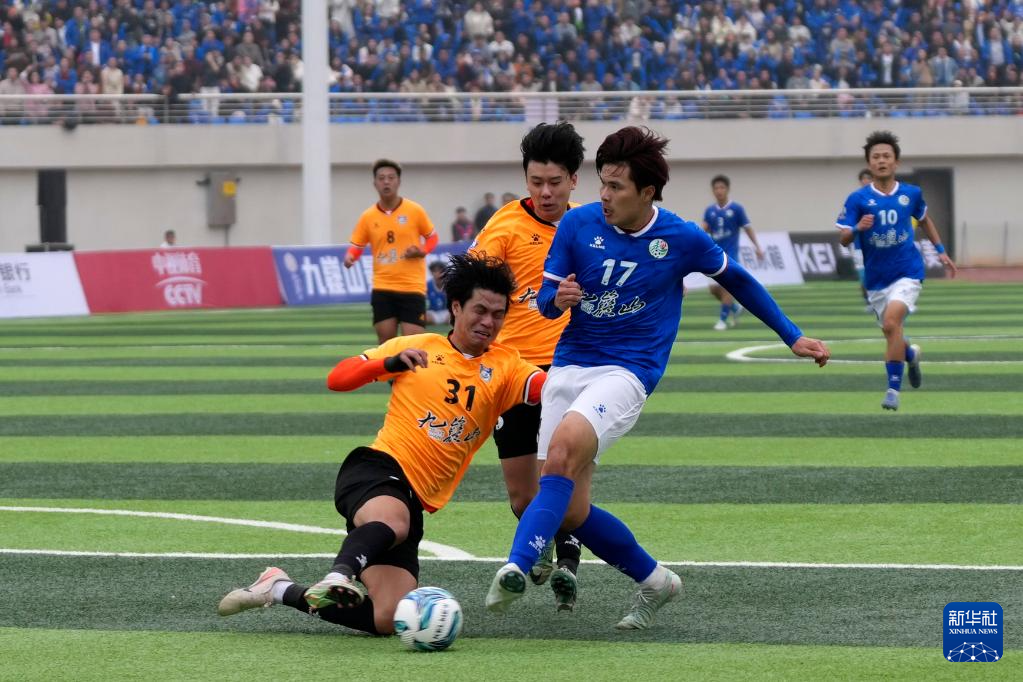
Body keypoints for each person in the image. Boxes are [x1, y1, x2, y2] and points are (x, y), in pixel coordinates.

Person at [485, 126, 830, 629]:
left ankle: (516, 565)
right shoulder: (577, 225)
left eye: (616, 187)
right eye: (602, 184)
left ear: (647, 192)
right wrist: (556, 300)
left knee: (560, 455)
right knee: (570, 510)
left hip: (628, 371)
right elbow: (544, 301)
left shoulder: (681, 237)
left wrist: (791, 336)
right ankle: (655, 580)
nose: (604, 195)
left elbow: (736, 278)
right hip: (569, 366)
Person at [218, 254, 545, 636]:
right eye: (480, 310)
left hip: (413, 500)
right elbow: (337, 378)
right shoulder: (417, 346)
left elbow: (548, 387)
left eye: (498, 314)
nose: (489, 322)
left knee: (388, 617)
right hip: (376, 470)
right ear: (456, 307)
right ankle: (338, 575)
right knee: (393, 522)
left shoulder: (507, 365)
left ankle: (277, 587)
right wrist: (388, 364)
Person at [469, 121, 586, 611]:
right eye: (535, 182)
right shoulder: (505, 226)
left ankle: (568, 562)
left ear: (573, 180)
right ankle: (543, 545)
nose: (544, 192)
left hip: (571, 371)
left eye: (555, 182)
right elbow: (472, 284)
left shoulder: (589, 227)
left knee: (562, 476)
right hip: (513, 376)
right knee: (522, 497)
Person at [836, 131, 957, 411]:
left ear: (896, 162)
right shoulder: (857, 199)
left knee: (892, 323)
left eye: (886, 156)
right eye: (876, 157)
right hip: (876, 279)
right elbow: (843, 238)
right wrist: (857, 228)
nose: (881, 161)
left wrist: (941, 251)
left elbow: (925, 220)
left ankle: (893, 390)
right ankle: (910, 355)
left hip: (908, 272)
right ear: (869, 163)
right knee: (892, 333)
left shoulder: (911, 194)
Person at [344, 159, 438, 343]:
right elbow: (357, 245)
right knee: (386, 343)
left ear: (398, 182)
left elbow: (433, 238)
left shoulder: (415, 210)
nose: (386, 182)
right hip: (383, 286)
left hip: (412, 286)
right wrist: (350, 256)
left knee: (414, 343)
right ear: (375, 183)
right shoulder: (368, 216)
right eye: (381, 178)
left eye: (391, 177)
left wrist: (422, 250)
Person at [702, 175, 764, 330]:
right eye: (716, 188)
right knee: (713, 290)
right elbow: (703, 229)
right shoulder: (710, 211)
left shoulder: (737, 209)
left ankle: (723, 320)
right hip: (714, 254)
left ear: (727, 189)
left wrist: (757, 247)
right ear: (713, 191)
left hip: (731, 255)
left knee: (726, 287)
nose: (719, 191)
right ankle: (735, 308)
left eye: (722, 187)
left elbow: (747, 228)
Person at [850, 168, 873, 310]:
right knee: (863, 275)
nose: (866, 181)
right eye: (863, 178)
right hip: (860, 245)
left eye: (868, 178)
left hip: (878, 244)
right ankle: (868, 301)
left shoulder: (880, 197)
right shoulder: (855, 199)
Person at [425, 259, 449, 325]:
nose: (438, 274)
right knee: (424, 317)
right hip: (432, 313)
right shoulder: (427, 285)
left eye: (440, 271)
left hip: (446, 313)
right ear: (431, 272)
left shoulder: (449, 285)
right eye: (435, 271)